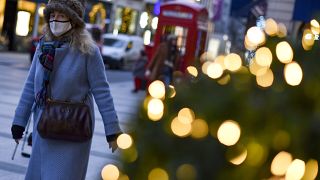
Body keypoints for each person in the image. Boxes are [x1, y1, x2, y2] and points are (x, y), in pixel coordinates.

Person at [10, 0, 121, 179]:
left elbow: (102, 91)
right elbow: (31, 85)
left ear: (73, 20)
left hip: (74, 128)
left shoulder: (88, 51)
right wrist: (19, 121)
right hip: (45, 126)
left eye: (61, 15)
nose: (55, 20)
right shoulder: (42, 47)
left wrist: (112, 129)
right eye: (52, 16)